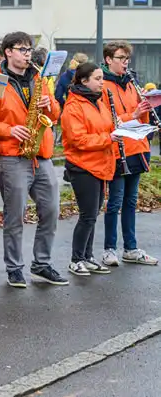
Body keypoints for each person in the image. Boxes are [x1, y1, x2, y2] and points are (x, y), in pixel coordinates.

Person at [0, 31, 68, 288]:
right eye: (22, 49)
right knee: (15, 216)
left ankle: (41, 264)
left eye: (29, 49)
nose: (27, 54)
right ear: (8, 52)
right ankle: (14, 268)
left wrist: (49, 104)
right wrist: (7, 130)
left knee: (51, 210)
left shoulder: (40, 77)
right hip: (12, 156)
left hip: (40, 154)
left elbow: (55, 114)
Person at [100, 41, 158, 267]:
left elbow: (140, 118)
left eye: (127, 59)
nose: (125, 63)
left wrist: (147, 108)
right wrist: (133, 114)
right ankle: (109, 249)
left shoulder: (132, 84)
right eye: (121, 58)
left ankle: (131, 248)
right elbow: (107, 121)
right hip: (117, 149)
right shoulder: (102, 85)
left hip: (136, 148)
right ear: (108, 59)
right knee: (114, 202)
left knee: (131, 201)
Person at [60, 63, 116, 276]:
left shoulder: (98, 102)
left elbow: (108, 126)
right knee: (87, 215)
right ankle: (76, 259)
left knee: (93, 214)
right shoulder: (74, 106)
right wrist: (108, 138)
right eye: (97, 78)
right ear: (84, 81)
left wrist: (130, 122)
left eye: (102, 78)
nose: (102, 82)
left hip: (100, 164)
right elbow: (78, 139)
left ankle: (88, 256)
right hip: (82, 166)